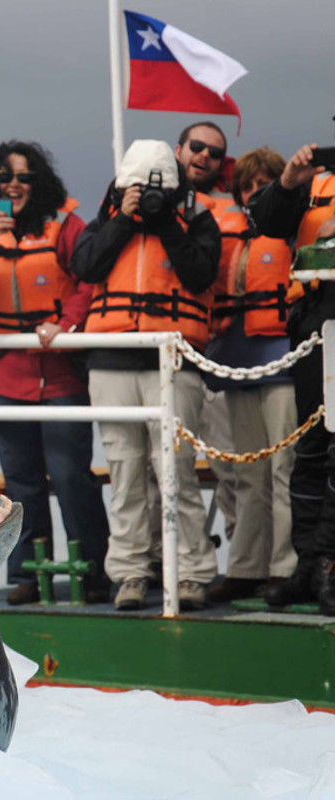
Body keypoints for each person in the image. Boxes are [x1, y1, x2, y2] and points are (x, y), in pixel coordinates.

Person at [0, 140, 110, 606]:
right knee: (20, 483)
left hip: (60, 374)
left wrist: (65, 324)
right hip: (6, 376)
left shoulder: (66, 226)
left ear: (40, 183)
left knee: (71, 474)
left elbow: (89, 281)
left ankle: (94, 570)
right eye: (4, 177)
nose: (13, 185)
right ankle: (27, 575)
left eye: (23, 177)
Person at [72, 139, 220, 611]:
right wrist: (125, 218)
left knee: (176, 473)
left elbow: (199, 275)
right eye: (136, 187)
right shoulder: (108, 220)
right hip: (112, 362)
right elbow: (85, 266)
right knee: (125, 473)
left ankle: (194, 573)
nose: (147, 194)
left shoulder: (195, 220)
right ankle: (131, 574)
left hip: (171, 363)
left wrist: (165, 224)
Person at [204, 147, 298, 603]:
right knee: (247, 472)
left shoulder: (295, 229)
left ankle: (286, 565)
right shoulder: (226, 233)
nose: (254, 191)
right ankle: (245, 567)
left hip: (283, 361)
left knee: (285, 468)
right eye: (247, 185)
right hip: (238, 362)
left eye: (263, 182)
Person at [250, 141, 335, 614]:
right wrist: (287, 183)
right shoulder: (312, 180)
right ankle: (309, 564)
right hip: (315, 321)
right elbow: (265, 223)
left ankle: (330, 565)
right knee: (311, 447)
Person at [174, 121, 240, 546]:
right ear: (178, 149)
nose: (204, 156)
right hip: (182, 353)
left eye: (214, 152)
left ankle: (243, 563)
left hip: (235, 355)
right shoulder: (147, 208)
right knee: (163, 467)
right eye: (196, 147)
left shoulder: (234, 211)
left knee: (234, 468)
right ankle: (168, 563)